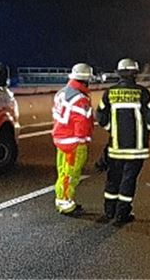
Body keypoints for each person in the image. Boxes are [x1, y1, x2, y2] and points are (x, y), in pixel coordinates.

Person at [96, 58, 150, 226]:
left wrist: (111, 129)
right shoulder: (142, 93)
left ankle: (109, 211)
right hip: (137, 148)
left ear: (118, 73)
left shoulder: (109, 93)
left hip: (115, 147)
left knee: (113, 178)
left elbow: (100, 117)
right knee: (128, 179)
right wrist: (144, 132)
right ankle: (122, 213)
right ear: (135, 73)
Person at [51, 63, 94, 216]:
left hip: (61, 139)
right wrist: (82, 140)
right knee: (71, 174)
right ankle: (65, 203)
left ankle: (62, 200)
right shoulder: (80, 98)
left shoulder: (61, 93)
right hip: (74, 143)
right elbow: (81, 123)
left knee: (63, 171)